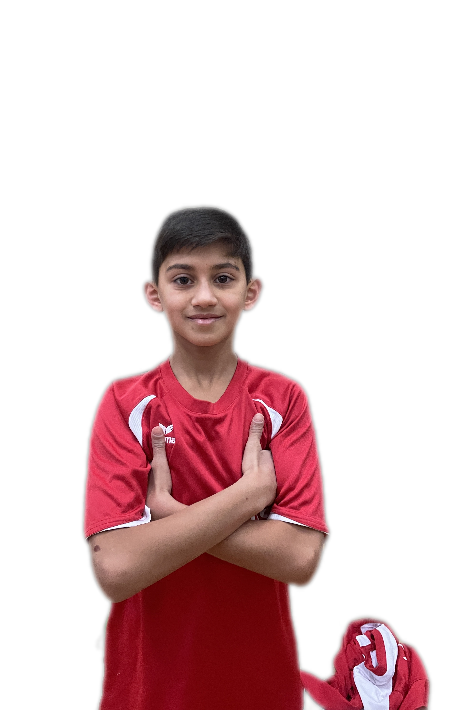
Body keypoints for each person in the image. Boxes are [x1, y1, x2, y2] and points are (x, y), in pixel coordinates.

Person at [83, 205, 330, 709]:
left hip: (264, 693)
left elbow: (301, 559)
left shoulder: (283, 400)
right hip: (148, 695)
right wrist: (248, 497)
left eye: (222, 277)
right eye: (183, 279)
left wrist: (170, 513)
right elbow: (116, 570)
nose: (203, 297)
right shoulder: (125, 404)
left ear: (250, 292)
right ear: (154, 294)